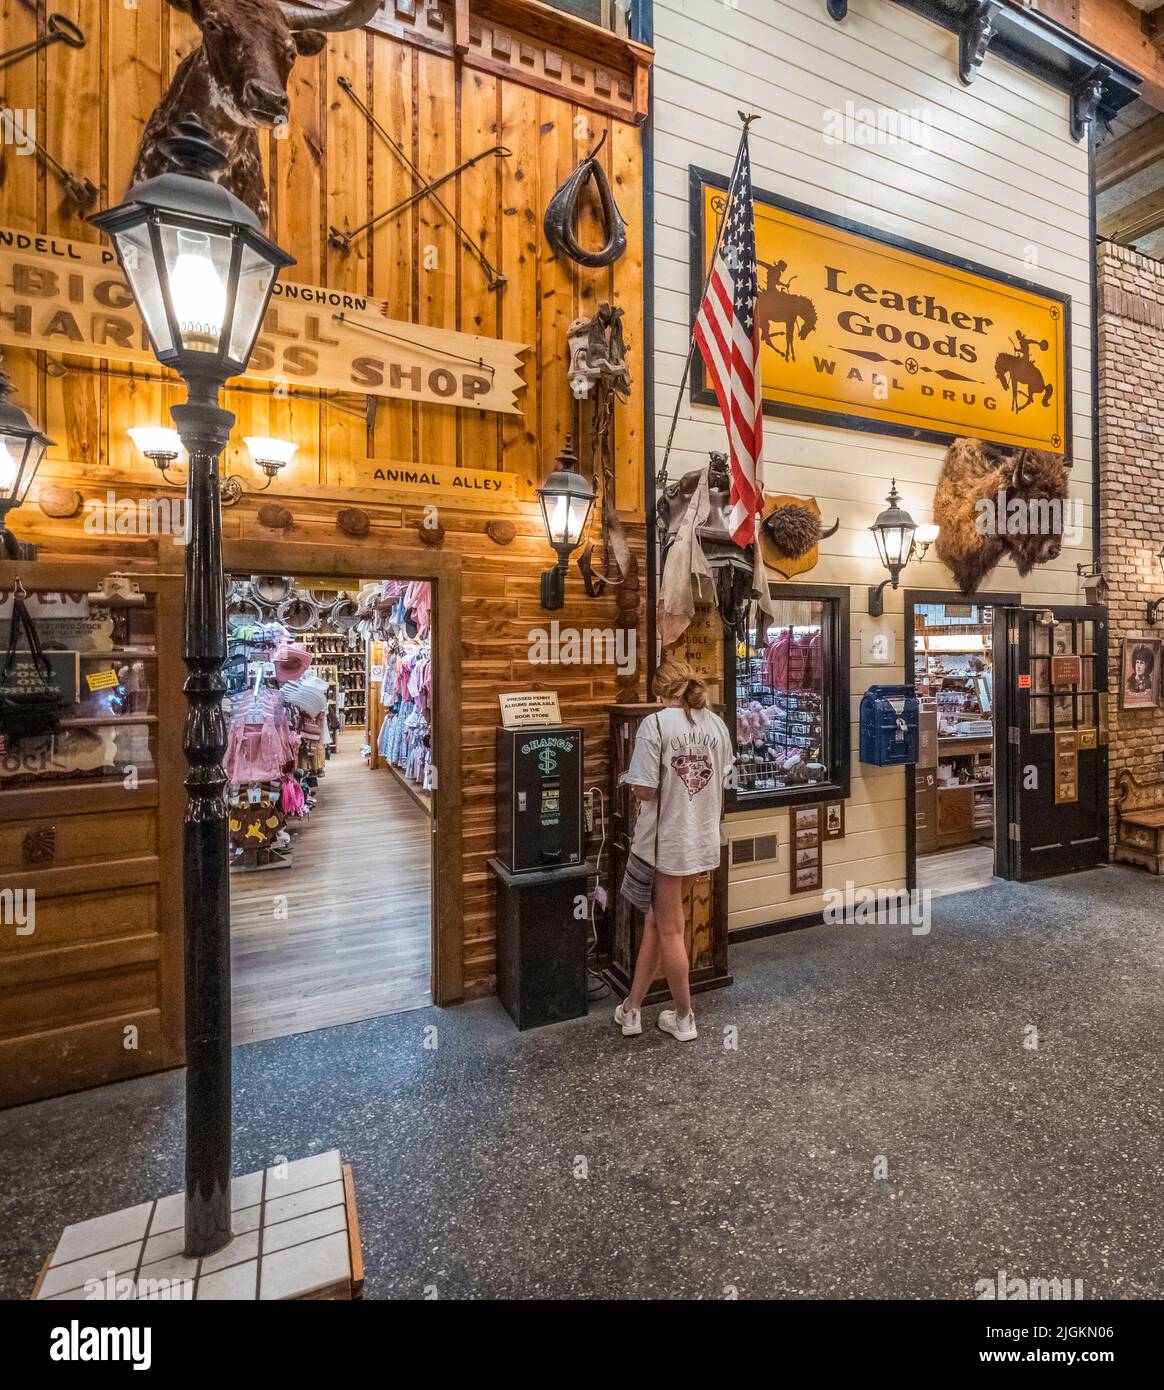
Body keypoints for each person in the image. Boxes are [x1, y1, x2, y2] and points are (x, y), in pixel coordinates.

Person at [614, 660, 733, 1042]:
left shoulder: (656, 725)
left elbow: (645, 790)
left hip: (666, 841)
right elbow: (722, 775)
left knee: (670, 928)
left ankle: (684, 1018)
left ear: (659, 692)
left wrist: (630, 783)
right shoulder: (715, 724)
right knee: (658, 923)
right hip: (699, 837)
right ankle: (632, 1008)